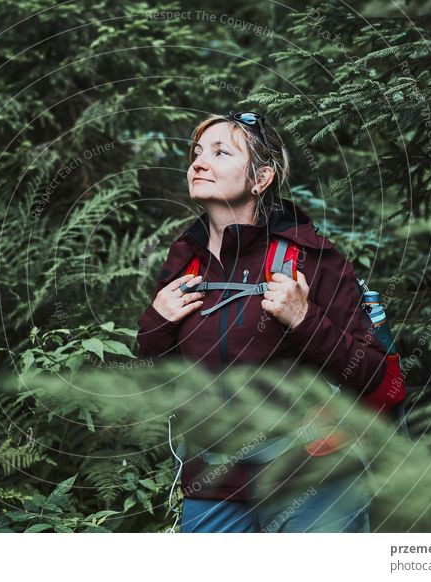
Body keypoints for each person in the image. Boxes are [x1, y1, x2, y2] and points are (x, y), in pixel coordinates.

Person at [136, 112, 406, 533]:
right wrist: (156, 322)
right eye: (197, 153)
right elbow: (157, 377)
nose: (198, 163)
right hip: (214, 485)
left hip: (312, 480)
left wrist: (304, 319)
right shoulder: (185, 260)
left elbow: (376, 376)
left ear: (261, 179)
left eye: (221, 152)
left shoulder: (310, 258)